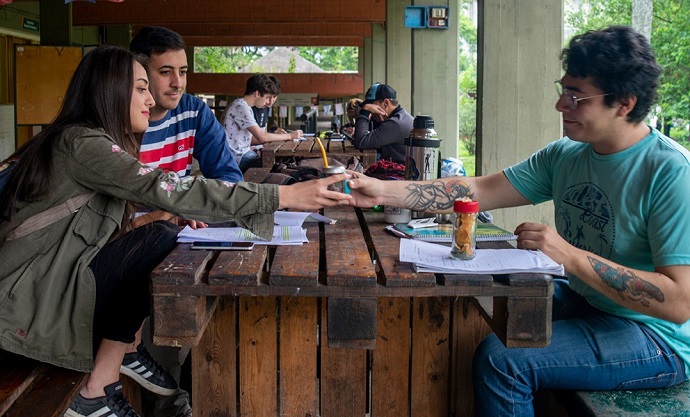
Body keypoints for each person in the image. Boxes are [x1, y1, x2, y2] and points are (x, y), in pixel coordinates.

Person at [346, 26, 690, 417]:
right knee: (472, 301)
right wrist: (381, 191)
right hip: (586, 300)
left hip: (654, 336)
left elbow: (679, 303)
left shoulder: (669, 172)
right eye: (562, 89)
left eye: (577, 96)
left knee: (503, 361)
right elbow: (475, 189)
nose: (562, 104)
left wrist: (571, 257)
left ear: (624, 103)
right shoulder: (566, 155)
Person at [0, 45, 350, 417]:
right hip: (25, 302)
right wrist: (283, 195)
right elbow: (172, 188)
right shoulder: (83, 143)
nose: (150, 98)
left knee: (157, 234)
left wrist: (152, 219)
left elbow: (80, 234)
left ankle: (121, 360)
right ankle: (97, 388)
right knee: (157, 242)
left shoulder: (82, 140)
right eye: (140, 88)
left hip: (45, 283)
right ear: (108, 91)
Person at [130, 26, 242, 184]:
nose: (178, 83)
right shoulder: (116, 118)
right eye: (166, 72)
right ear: (140, 72)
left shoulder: (193, 111)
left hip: (179, 207)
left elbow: (227, 175)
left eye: (182, 72)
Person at [222, 73, 304, 172]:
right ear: (257, 94)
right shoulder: (241, 107)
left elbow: (254, 138)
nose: (268, 101)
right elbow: (262, 137)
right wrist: (290, 136)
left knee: (282, 162)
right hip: (237, 158)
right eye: (267, 97)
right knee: (276, 165)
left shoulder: (244, 106)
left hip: (242, 154)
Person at [353, 83, 414, 164]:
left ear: (386, 103)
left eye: (372, 106)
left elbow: (360, 142)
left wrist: (365, 111)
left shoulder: (395, 123)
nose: (372, 110)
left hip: (403, 174)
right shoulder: (400, 116)